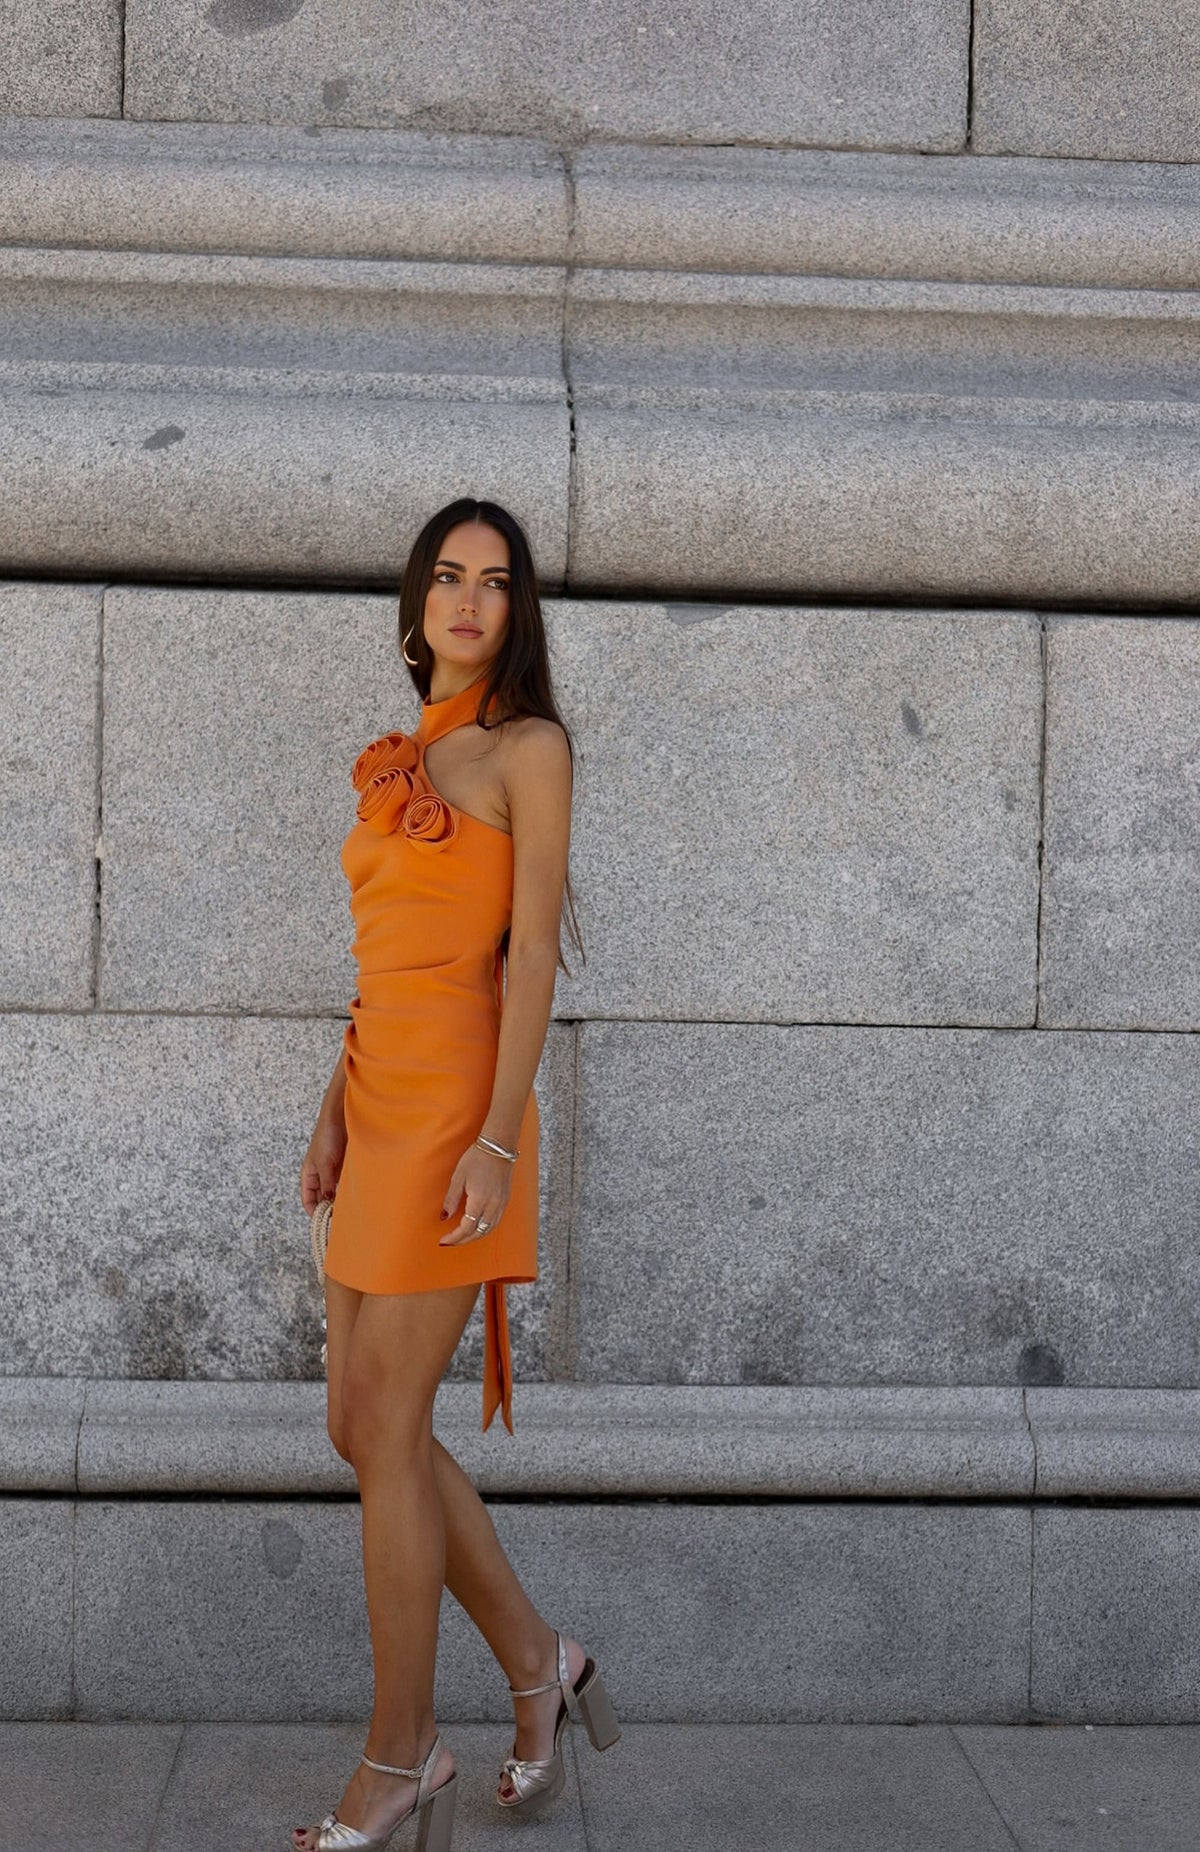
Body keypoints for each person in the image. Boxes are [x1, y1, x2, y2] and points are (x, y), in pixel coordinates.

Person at [292, 499, 620, 1852]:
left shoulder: (527, 749)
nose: (469, 601)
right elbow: (388, 962)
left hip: (457, 1122)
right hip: (378, 1104)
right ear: (418, 601)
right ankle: (544, 1662)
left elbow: (528, 955)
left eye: (494, 581)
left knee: (382, 1423)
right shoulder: (398, 756)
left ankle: (399, 1755)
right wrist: (329, 1106)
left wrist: (497, 1135)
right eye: (448, 577)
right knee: (361, 1431)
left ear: (517, 608)